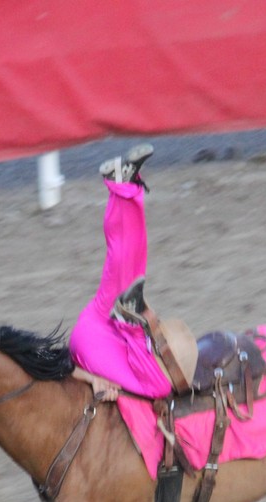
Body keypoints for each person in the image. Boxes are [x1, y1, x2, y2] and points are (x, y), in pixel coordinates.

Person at [69, 144, 175, 402]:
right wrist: (88, 378)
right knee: (159, 388)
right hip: (94, 332)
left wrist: (89, 378)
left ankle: (123, 184)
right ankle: (129, 322)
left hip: (96, 329)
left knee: (129, 262)